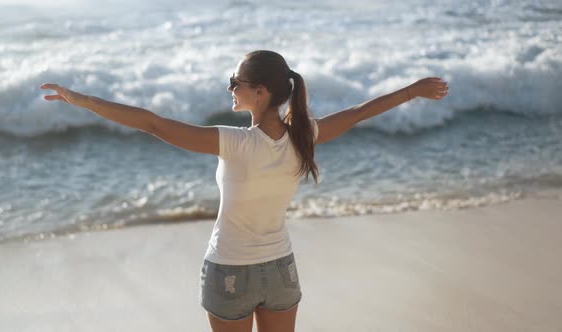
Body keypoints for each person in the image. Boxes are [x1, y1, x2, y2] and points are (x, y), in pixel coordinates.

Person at [40, 49, 448, 332]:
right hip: (281, 272)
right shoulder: (306, 135)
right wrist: (413, 91)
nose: (230, 89)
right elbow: (360, 113)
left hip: (230, 271)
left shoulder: (233, 142)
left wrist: (82, 100)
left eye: (235, 82)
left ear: (261, 92)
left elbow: (153, 124)